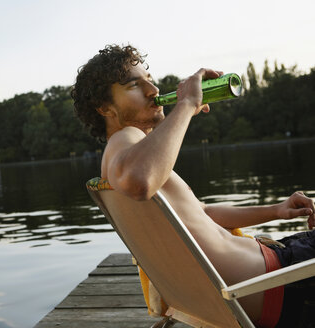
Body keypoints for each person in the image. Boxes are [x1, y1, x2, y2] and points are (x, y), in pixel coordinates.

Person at [71, 44, 315, 327]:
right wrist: (186, 104)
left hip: (277, 270)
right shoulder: (123, 141)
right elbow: (140, 182)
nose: (153, 90)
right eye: (134, 85)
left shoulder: (125, 156)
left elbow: (203, 212)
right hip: (281, 281)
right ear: (105, 108)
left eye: (150, 78)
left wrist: (277, 209)